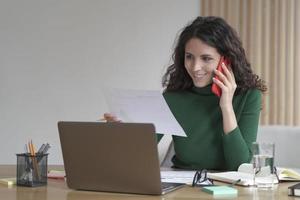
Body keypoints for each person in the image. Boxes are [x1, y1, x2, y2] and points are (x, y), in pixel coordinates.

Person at [104, 16, 267, 171]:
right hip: (182, 186)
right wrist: (120, 133)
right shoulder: (174, 96)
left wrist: (226, 106)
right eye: (189, 57)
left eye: (206, 58)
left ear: (226, 60)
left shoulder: (249, 96)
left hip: (229, 191)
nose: (195, 67)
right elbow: (137, 151)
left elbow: (239, 165)